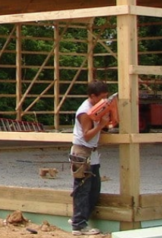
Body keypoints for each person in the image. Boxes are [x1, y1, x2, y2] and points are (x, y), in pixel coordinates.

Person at [69, 80, 111, 236]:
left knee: (93, 189)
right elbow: (86, 136)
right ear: (92, 96)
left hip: (91, 153)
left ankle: (79, 218)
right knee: (82, 189)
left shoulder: (94, 108)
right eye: (101, 97)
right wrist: (101, 125)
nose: (103, 101)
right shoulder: (85, 112)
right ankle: (78, 224)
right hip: (82, 152)